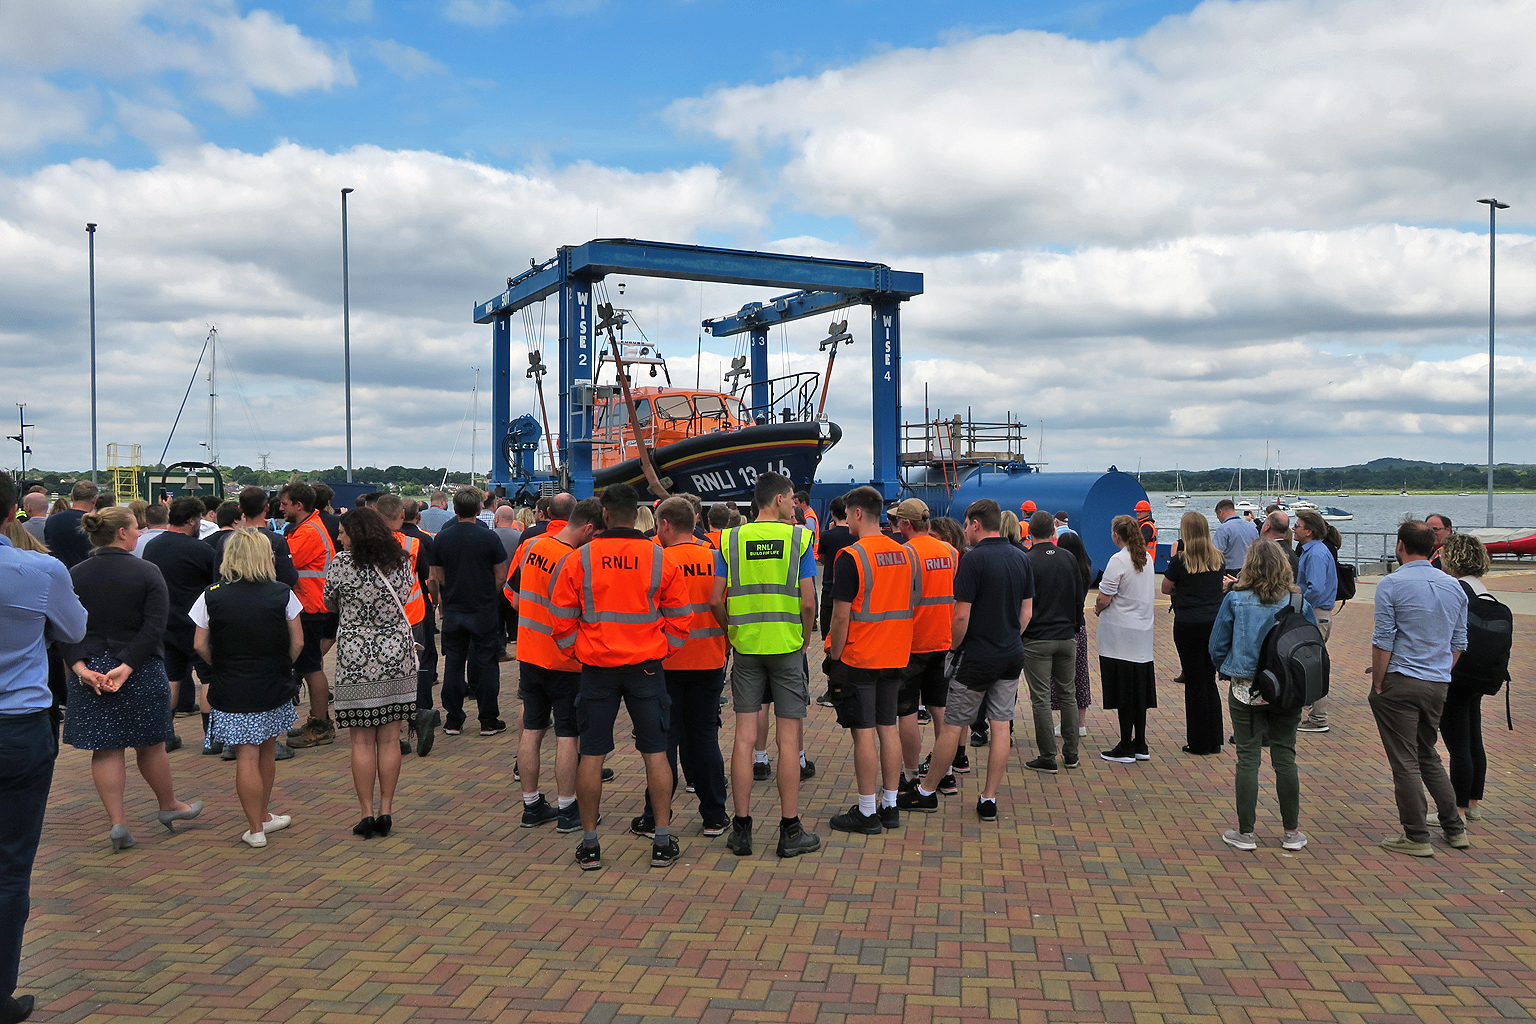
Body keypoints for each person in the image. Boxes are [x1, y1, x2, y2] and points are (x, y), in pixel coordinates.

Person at [549, 484, 692, 871]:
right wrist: (663, 650)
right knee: (656, 753)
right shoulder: (660, 558)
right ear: (637, 513)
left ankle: (590, 844)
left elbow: (560, 619)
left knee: (592, 754)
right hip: (647, 668)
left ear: (605, 515)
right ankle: (661, 840)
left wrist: (577, 652)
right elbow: (682, 619)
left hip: (596, 669)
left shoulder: (580, 559)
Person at [59, 506, 202, 853]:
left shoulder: (74, 574)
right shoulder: (146, 571)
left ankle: (117, 822)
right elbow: (155, 625)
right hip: (138, 667)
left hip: (91, 669)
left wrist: (80, 669)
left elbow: (64, 628)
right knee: (150, 744)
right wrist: (126, 666)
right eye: (136, 529)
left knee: (106, 748)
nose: (140, 533)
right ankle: (168, 805)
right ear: (121, 533)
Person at [0, 472, 87, 1024]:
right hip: (17, 725)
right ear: (11, 513)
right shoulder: (37, 569)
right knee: (11, 865)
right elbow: (74, 627)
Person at [899, 498, 1032, 821]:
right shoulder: (1021, 557)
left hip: (975, 656)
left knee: (953, 725)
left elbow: (961, 616)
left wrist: (953, 648)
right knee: (1000, 725)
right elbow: (1026, 611)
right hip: (1011, 654)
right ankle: (988, 798)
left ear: (974, 524)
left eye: (967, 524)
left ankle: (926, 791)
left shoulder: (972, 561)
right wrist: (1010, 635)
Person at [715, 472, 821, 858]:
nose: (795, 503)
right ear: (777, 499)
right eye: (791, 498)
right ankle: (790, 831)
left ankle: (741, 829)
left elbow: (715, 599)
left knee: (744, 738)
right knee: (788, 741)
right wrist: (804, 639)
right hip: (787, 647)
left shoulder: (730, 538)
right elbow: (808, 602)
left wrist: (734, 633)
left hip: (746, 648)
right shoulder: (799, 538)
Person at [190, 529, 303, 848]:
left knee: (246, 756)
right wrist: (284, 664)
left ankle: (256, 826)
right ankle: (263, 816)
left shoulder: (210, 594)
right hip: (272, 682)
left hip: (231, 685)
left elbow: (199, 643)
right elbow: (298, 641)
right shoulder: (283, 593)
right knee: (267, 748)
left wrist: (220, 664)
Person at [631, 497, 731, 840]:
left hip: (665, 661)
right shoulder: (716, 557)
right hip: (710, 659)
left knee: (664, 741)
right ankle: (715, 814)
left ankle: (654, 814)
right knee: (704, 737)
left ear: (665, 525)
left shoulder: (657, 561)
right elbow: (724, 605)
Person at [1369, 520, 1469, 857]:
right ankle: (1454, 828)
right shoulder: (1454, 587)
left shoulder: (1391, 584)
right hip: (1437, 681)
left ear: (1400, 545)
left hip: (1400, 680)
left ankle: (1416, 834)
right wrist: (1440, 670)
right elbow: (1459, 641)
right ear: (1434, 548)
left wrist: (1379, 681)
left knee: (1405, 760)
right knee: (1427, 754)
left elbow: (1383, 639)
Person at [1208, 538, 1315, 851]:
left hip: (1246, 685)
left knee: (1248, 758)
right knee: (1285, 756)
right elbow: (1310, 645)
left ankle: (1246, 832)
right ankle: (1291, 832)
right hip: (1286, 689)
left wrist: (1226, 667)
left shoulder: (1236, 599)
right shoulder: (1297, 602)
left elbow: (1217, 644)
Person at [824, 486, 917, 835]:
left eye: (848, 513)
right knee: (887, 727)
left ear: (858, 513)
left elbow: (840, 616)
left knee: (863, 734)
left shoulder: (852, 556)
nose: (846, 519)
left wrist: (835, 658)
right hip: (896, 654)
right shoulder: (905, 555)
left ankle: (866, 811)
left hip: (861, 657)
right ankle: (889, 805)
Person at [325, 508, 421, 839]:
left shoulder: (340, 564)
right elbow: (406, 597)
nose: (339, 537)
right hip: (396, 654)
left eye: (342, 531)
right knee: (390, 737)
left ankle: (365, 812)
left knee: (361, 739)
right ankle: (387, 809)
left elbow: (329, 602)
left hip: (354, 657)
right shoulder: (401, 561)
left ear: (357, 533)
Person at [506, 498, 600, 831]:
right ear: (588, 527)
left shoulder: (532, 546)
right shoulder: (575, 561)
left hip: (529, 654)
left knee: (531, 730)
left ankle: (531, 805)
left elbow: (513, 595)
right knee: (566, 734)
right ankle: (567, 808)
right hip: (564, 658)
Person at [888, 498, 965, 789]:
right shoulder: (951, 552)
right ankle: (944, 774)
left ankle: (910, 775)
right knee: (941, 710)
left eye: (897, 521)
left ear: (907, 524)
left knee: (907, 712)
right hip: (943, 641)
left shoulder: (904, 554)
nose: (896, 526)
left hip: (911, 644)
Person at [142, 497, 221, 752]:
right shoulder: (202, 550)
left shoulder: (152, 547)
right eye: (198, 520)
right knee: (208, 677)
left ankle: (166, 734)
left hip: (164, 622)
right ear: (191, 520)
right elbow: (215, 584)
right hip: (197, 623)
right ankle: (211, 738)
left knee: (172, 678)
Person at [429, 488, 508, 737]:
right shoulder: (489, 537)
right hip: (483, 608)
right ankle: (488, 719)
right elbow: (501, 575)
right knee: (486, 663)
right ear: (478, 509)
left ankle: (453, 719)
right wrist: (488, 592)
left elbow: (435, 575)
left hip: (454, 609)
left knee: (453, 663)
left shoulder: (442, 537)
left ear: (455, 509)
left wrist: (445, 592)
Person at [1438, 534, 1499, 825]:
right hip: (1481, 672)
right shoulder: (1482, 590)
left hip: (1456, 671)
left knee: (1457, 742)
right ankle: (1473, 801)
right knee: (1474, 735)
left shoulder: (1454, 588)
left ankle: (1458, 810)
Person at [1021, 510, 1086, 773]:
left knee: (1041, 699)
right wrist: (1072, 625)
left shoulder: (1027, 560)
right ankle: (1071, 753)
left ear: (1029, 533)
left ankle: (1048, 755)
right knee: (1067, 694)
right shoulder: (1069, 558)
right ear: (1053, 532)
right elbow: (1078, 595)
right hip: (1066, 636)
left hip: (1036, 638)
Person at [1161, 511, 1226, 755]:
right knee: (1208, 679)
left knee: (1194, 681)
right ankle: (1214, 738)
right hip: (1213, 622)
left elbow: (1166, 588)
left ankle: (1198, 741)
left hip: (1188, 622)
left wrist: (1182, 589)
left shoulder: (1180, 560)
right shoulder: (1218, 558)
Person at [279, 481, 338, 749]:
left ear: (299, 505)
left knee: (311, 667)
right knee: (311, 665)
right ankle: (318, 720)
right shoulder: (307, 528)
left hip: (310, 606)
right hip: (310, 605)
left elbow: (283, 564)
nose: (280, 508)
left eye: (284, 504)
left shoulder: (307, 533)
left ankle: (320, 724)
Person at [1097, 514, 1157, 764]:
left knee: (1123, 692)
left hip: (1119, 635)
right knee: (1139, 693)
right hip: (1142, 633)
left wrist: (1098, 608)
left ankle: (1125, 745)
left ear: (1117, 535)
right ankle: (1140, 742)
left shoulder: (1118, 559)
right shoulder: (1147, 557)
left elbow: (1104, 596)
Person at [1292, 509, 1339, 734]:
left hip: (1315, 613)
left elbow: (1316, 588)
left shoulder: (1316, 554)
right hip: (1315, 612)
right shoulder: (1312, 551)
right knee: (1310, 663)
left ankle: (1319, 717)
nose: (1294, 528)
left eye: (1298, 525)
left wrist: (1296, 600)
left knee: (1313, 665)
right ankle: (1313, 708)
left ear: (1308, 531)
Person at [207, 487, 299, 589]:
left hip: (234, 596)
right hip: (268, 597)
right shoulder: (277, 540)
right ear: (266, 508)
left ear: (240, 509)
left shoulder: (226, 539)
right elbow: (289, 577)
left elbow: (218, 575)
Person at [1052, 530, 1093, 737]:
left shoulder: (1062, 571)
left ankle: (1066, 722)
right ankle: (1081, 722)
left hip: (1062, 627)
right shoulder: (1086, 571)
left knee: (1062, 676)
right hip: (1081, 626)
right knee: (1080, 674)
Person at [43, 479, 97, 569]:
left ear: (72, 497)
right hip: (86, 573)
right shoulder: (93, 522)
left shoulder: (52, 520)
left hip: (57, 572)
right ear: (95, 500)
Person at [1213, 498, 1258, 574]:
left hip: (1230, 571)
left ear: (1220, 512)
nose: (1219, 520)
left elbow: (1216, 553)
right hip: (1250, 569)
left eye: (1218, 517)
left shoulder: (1223, 528)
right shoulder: (1252, 527)